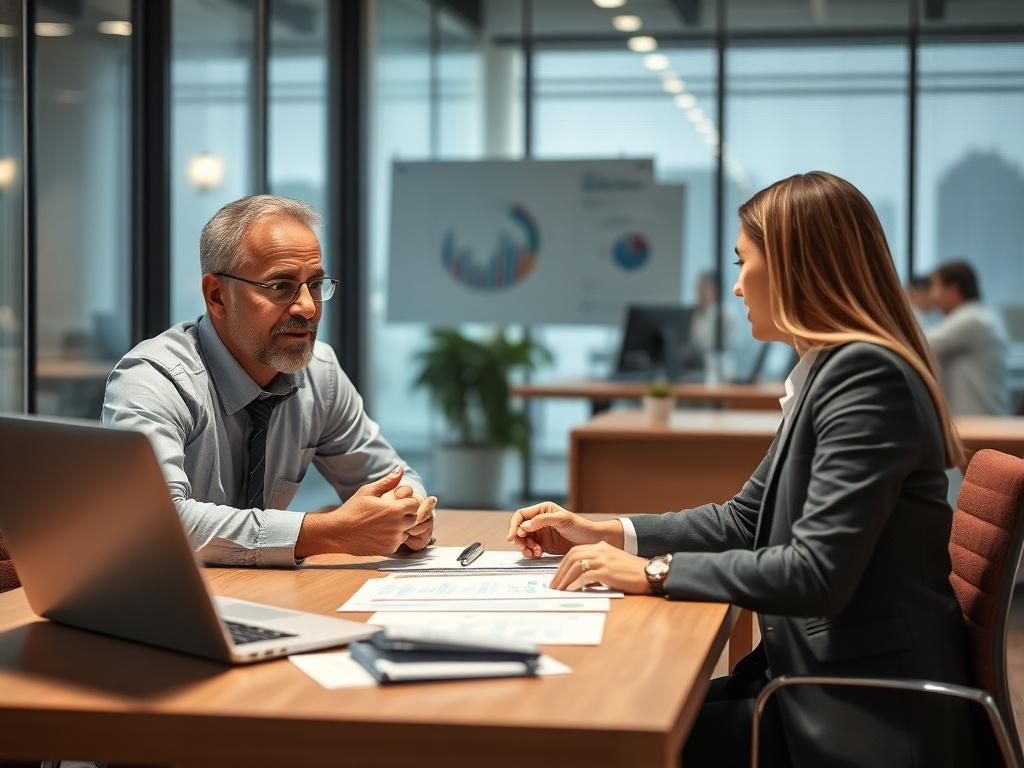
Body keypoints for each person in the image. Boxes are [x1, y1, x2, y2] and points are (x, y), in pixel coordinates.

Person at [507, 172, 975, 767]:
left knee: (594, 734)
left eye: (742, 262)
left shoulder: (865, 379)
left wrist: (651, 572)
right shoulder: (828, 374)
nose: (734, 288)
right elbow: (745, 518)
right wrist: (605, 531)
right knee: (603, 712)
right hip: (810, 680)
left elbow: (815, 574)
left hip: (856, 712)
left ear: (793, 266)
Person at [103, 195, 436, 566]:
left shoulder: (319, 372)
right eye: (280, 286)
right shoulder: (154, 379)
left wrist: (408, 514)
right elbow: (155, 523)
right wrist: (330, 531)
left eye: (315, 284)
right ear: (217, 296)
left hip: (260, 596)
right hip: (162, 595)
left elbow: (390, 477)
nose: (308, 307)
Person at [926, 260, 1010, 416]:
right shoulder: (977, 316)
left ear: (953, 289)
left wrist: (913, 308)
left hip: (980, 421)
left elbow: (921, 344)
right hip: (978, 418)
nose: (932, 296)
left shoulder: (972, 320)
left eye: (936, 287)